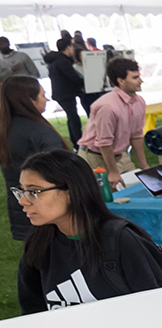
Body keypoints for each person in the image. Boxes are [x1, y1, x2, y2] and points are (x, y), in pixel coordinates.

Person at [16, 149, 162, 314]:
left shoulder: (121, 240)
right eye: (21, 191)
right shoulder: (39, 243)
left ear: (71, 191)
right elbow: (32, 312)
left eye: (33, 192)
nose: (23, 201)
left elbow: (158, 306)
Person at [1, 76, 69, 240]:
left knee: (36, 257)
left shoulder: (6, 129)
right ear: (29, 100)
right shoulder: (40, 132)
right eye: (42, 95)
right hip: (47, 208)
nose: (46, 99)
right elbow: (59, 173)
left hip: (21, 205)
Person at [77, 57, 148, 189]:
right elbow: (104, 142)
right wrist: (113, 172)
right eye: (135, 78)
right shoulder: (108, 106)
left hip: (120, 155)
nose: (141, 81)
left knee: (138, 188)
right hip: (94, 157)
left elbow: (137, 135)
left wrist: (144, 166)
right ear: (120, 81)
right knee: (108, 198)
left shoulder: (139, 102)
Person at [43, 37, 85, 147]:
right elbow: (73, 78)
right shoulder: (63, 61)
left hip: (62, 94)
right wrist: (85, 81)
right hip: (65, 94)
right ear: (68, 47)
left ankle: (76, 141)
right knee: (74, 119)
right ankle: (78, 143)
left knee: (72, 118)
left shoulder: (56, 60)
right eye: (72, 47)